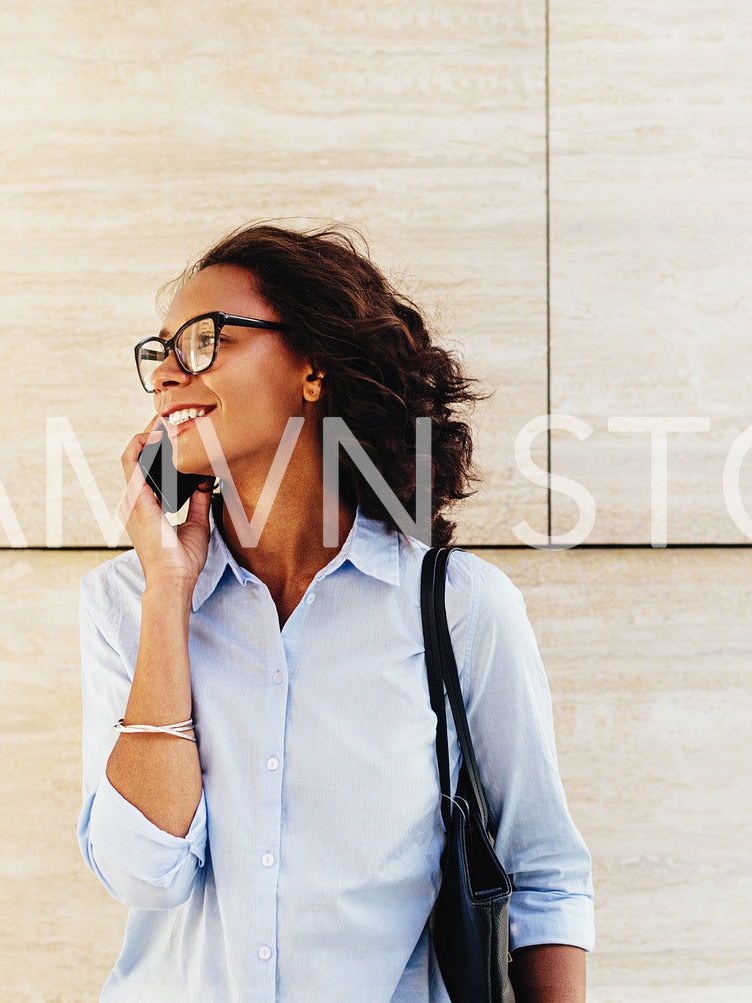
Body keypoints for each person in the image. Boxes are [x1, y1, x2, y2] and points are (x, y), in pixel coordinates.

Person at [76, 222, 594, 1002]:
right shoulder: (127, 598)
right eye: (160, 351)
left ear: (313, 367)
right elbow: (141, 871)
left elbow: (541, 875)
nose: (168, 374)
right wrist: (167, 593)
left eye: (205, 339)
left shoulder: (457, 608)